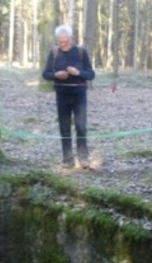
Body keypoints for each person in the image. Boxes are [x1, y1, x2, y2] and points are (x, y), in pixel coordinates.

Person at [42, 25, 96, 168]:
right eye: (60, 41)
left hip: (79, 94)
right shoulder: (54, 53)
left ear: (71, 39)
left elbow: (91, 74)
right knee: (64, 127)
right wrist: (55, 75)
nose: (62, 44)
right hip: (61, 94)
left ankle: (83, 158)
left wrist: (77, 73)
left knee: (81, 126)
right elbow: (45, 74)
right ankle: (68, 159)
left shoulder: (81, 52)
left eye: (65, 41)